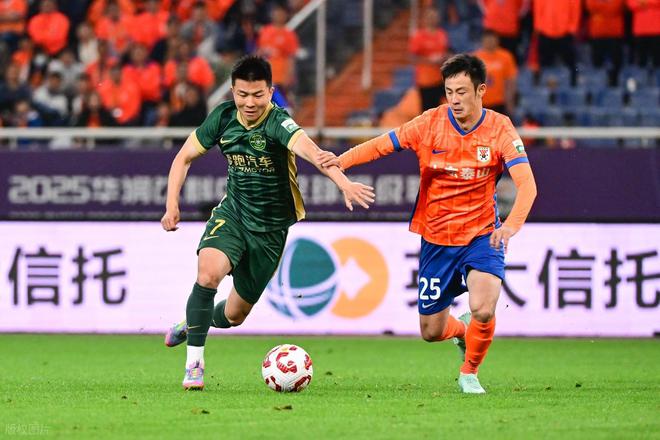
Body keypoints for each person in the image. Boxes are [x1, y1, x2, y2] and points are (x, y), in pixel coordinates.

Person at [319, 54, 537, 394]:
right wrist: (341, 162)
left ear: (481, 91)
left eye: (462, 92)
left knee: (483, 307)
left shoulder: (500, 128)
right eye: (449, 91)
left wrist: (510, 226)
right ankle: (462, 332)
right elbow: (382, 145)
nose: (454, 99)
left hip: (482, 235)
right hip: (437, 239)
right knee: (431, 331)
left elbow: (527, 185)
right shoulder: (429, 123)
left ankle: (469, 373)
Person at [160, 55, 375, 391]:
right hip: (233, 214)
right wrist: (172, 203)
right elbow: (183, 157)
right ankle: (194, 365)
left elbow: (313, 153)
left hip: (271, 232)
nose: (250, 103)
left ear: (270, 92)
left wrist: (343, 183)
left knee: (234, 315)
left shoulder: (279, 123)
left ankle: (194, 320)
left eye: (258, 95)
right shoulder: (222, 117)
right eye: (242, 94)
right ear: (233, 91)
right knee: (208, 274)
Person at [409, 7, 450, 112]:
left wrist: (445, 58)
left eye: (435, 17)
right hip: (425, 80)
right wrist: (429, 61)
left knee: (443, 109)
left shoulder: (442, 34)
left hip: (441, 79)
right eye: (430, 17)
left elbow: (447, 52)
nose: (432, 19)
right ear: (425, 19)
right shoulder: (419, 36)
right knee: (428, 111)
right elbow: (412, 58)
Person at [473, 30, 517, 116]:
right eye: (487, 40)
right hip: (480, 103)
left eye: (492, 39)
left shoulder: (506, 57)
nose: (490, 42)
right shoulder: (475, 58)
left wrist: (510, 102)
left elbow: (511, 80)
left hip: (499, 102)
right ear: (482, 41)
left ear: (497, 40)